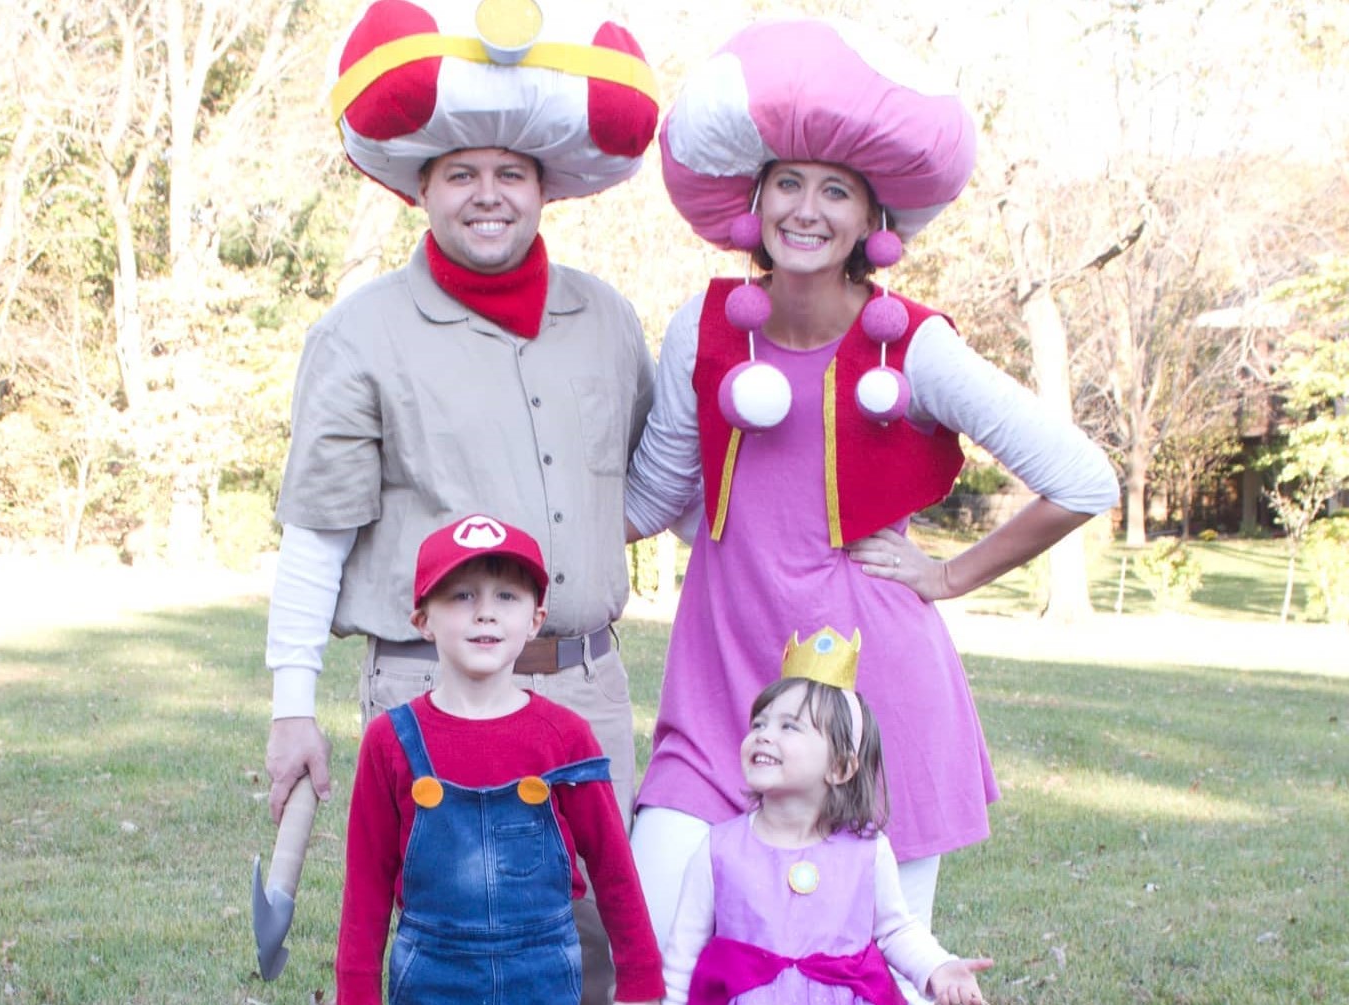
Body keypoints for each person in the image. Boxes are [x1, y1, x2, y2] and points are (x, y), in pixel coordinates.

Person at [625, 18, 1119, 1002]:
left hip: (870, 704)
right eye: (788, 183)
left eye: (835, 190)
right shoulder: (703, 328)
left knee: (861, 968)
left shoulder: (914, 351)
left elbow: (1083, 480)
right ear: (753, 198)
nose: (806, 209)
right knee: (658, 956)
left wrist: (945, 577)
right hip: (722, 690)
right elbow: (649, 498)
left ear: (869, 220)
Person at [265, 4, 660, 1002]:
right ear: (420, 189)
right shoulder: (359, 336)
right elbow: (317, 533)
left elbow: (653, 489)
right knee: (454, 953)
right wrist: (290, 708)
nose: (489, 196)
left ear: (545, 189)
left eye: (510, 174)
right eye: (461, 174)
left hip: (586, 696)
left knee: (594, 946)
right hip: (428, 700)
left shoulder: (609, 320)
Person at [336, 514, 664, 1004]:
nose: (485, 613)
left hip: (543, 976)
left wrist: (641, 979)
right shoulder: (391, 741)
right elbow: (366, 884)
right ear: (422, 619)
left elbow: (613, 868)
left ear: (535, 619)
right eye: (462, 595)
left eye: (506, 596)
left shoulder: (565, 737)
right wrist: (356, 993)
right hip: (432, 976)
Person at [661, 627, 992, 1005]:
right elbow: (683, 956)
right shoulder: (719, 850)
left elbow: (896, 929)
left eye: (789, 726)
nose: (765, 735)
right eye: (759, 724)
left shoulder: (867, 851)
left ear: (839, 767)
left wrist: (938, 967)